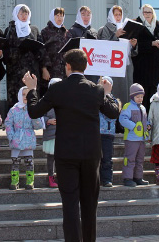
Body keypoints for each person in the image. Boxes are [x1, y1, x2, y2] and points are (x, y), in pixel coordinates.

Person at [24, 49, 119, 242]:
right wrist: (108, 94)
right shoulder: (96, 89)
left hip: (66, 154)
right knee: (89, 205)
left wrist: (32, 90)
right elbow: (113, 112)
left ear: (67, 66)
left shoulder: (58, 89)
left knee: (70, 205)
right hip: (91, 155)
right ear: (85, 66)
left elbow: (34, 111)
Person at [3, 4, 45, 117]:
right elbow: (5, 50)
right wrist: (20, 50)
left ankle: (33, 118)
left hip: (32, 69)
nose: (24, 16)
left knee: (32, 93)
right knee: (17, 96)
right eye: (21, 13)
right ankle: (14, 119)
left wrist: (34, 50)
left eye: (26, 13)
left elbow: (42, 48)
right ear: (16, 14)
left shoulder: (34, 30)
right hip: (15, 71)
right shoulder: (10, 30)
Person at [97, 5, 138, 104]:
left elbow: (133, 53)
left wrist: (133, 45)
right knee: (115, 90)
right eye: (116, 14)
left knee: (127, 90)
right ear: (111, 15)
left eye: (120, 14)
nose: (118, 17)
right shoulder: (106, 28)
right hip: (113, 65)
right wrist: (115, 35)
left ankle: (125, 113)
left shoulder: (126, 28)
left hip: (126, 65)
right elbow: (103, 46)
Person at [5, 86, 43, 190]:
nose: (25, 96)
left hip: (28, 138)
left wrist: (35, 117)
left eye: (28, 94)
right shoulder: (13, 110)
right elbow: (8, 123)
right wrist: (11, 136)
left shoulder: (33, 109)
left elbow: (38, 125)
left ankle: (30, 181)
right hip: (16, 138)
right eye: (23, 94)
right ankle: (14, 181)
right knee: (15, 161)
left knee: (29, 161)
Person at [133, 4, 159, 109]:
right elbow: (135, 45)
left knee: (156, 96)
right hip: (142, 67)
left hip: (156, 67)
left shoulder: (158, 26)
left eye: (149, 12)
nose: (147, 14)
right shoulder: (136, 25)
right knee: (143, 96)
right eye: (145, 12)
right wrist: (151, 43)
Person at [119, 83, 149, 187]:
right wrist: (133, 126)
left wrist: (148, 126)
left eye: (141, 97)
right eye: (137, 97)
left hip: (141, 139)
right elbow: (122, 119)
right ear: (132, 96)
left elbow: (145, 121)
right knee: (130, 158)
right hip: (131, 138)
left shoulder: (143, 108)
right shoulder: (128, 106)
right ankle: (128, 178)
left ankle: (138, 177)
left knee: (140, 159)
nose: (140, 99)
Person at [98, 76, 119, 188]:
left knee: (106, 158)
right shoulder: (94, 98)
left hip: (107, 133)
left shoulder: (113, 100)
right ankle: (95, 179)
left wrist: (105, 94)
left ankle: (106, 179)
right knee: (94, 159)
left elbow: (112, 114)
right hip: (94, 133)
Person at [42, 78, 62, 188]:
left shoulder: (66, 100)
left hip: (63, 134)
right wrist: (47, 121)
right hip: (50, 134)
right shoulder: (46, 101)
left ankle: (61, 177)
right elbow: (39, 115)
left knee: (62, 158)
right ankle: (51, 177)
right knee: (51, 157)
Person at [40, 7, 68, 83]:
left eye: (61, 16)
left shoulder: (66, 32)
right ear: (52, 16)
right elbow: (42, 51)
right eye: (57, 15)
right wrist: (44, 69)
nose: (59, 18)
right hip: (51, 70)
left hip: (64, 71)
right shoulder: (45, 31)